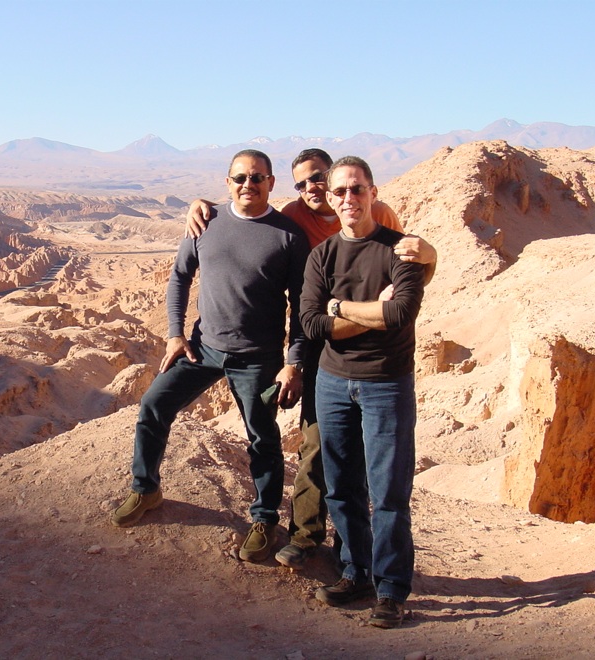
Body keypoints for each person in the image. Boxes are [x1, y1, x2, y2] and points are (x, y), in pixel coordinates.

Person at [185, 148, 437, 569]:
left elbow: (407, 277)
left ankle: (369, 564)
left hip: (379, 360)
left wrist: (431, 255)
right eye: (301, 184)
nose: (312, 189)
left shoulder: (377, 212)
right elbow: (251, 216)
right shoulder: (294, 218)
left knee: (379, 468)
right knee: (318, 444)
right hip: (323, 348)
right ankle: (306, 535)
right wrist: (202, 205)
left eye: (319, 178)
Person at [111, 149, 309, 563]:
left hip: (258, 358)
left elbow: (303, 305)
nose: (248, 185)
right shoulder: (205, 221)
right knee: (153, 405)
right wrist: (174, 334)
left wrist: (293, 361)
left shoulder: (289, 235)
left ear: (271, 183)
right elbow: (179, 277)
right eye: (240, 178)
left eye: (257, 178)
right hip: (203, 348)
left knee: (262, 438)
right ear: (227, 182)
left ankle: (264, 519)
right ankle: (146, 489)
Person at [300, 155, 424, 629]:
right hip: (332, 382)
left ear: (373, 192)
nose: (349, 198)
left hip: (387, 383)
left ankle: (391, 589)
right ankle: (355, 571)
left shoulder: (401, 250)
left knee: (389, 491)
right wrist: (367, 308)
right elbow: (313, 324)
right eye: (340, 191)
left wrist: (338, 308)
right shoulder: (323, 255)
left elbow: (400, 314)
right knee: (342, 487)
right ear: (330, 199)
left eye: (357, 189)